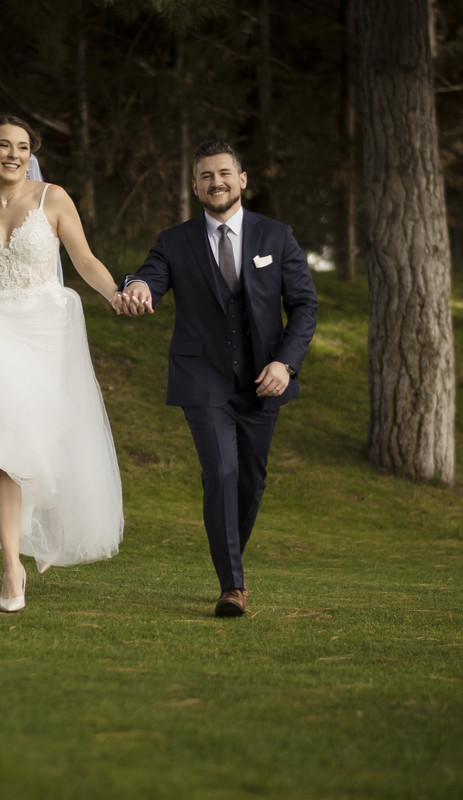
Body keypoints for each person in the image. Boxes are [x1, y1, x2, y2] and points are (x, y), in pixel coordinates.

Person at [0, 113, 126, 613]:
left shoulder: (52, 198)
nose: (13, 154)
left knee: (41, 441)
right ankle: (11, 565)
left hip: (44, 329)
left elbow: (82, 260)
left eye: (22, 146)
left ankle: (48, 529)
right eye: (3, 145)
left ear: (30, 153)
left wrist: (115, 295)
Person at [118, 139, 318, 617]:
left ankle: (230, 558)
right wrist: (138, 286)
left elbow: (305, 305)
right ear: (194, 186)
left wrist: (284, 364)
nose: (217, 182)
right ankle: (233, 585)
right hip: (201, 376)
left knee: (250, 479)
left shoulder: (277, 236)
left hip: (264, 378)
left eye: (225, 173)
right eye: (206, 176)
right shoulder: (174, 240)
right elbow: (150, 276)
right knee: (221, 472)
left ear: (242, 179)